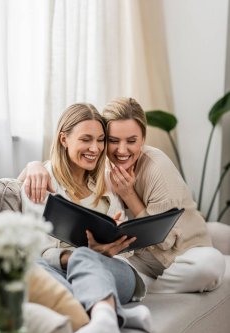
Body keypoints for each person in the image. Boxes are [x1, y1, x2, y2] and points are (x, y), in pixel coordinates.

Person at [21, 97, 226, 294]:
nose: (121, 150)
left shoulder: (155, 168)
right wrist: (33, 165)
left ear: (143, 140)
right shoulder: (100, 167)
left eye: (131, 141)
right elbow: (36, 178)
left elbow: (165, 241)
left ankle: (147, 288)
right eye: (112, 140)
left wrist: (129, 195)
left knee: (210, 264)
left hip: (176, 254)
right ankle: (135, 286)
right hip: (132, 259)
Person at [20, 103, 151, 333]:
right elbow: (36, 249)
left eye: (100, 140)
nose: (96, 148)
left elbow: (126, 249)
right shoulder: (41, 181)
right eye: (86, 139)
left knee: (82, 256)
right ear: (64, 139)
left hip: (116, 274)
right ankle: (110, 314)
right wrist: (77, 255)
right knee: (30, 266)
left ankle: (105, 319)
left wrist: (109, 250)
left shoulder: (108, 182)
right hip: (62, 273)